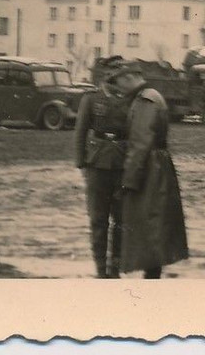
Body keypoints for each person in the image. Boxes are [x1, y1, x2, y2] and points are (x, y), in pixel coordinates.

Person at [119, 66, 190, 278]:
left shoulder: (145, 100)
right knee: (156, 222)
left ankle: (152, 275)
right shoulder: (152, 95)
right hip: (156, 165)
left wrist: (129, 179)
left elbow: (141, 142)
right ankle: (153, 271)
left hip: (149, 167)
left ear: (129, 76)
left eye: (118, 81)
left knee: (149, 221)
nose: (118, 88)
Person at [73, 62, 138, 278]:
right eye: (114, 73)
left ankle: (115, 266)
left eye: (120, 74)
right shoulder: (91, 99)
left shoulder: (130, 101)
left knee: (121, 218)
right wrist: (81, 163)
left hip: (121, 165)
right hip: (97, 164)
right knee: (98, 219)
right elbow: (81, 132)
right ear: (106, 75)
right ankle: (100, 268)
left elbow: (135, 134)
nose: (118, 77)